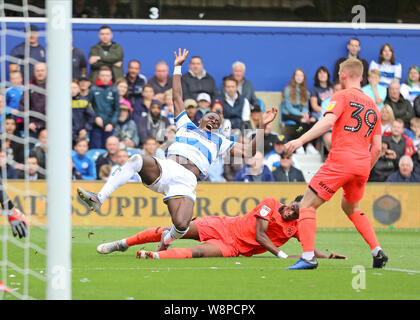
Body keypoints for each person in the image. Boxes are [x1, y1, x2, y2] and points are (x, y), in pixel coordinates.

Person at [77, 48, 277, 253]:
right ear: (200, 119)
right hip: (168, 167)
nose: (214, 120)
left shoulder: (220, 141)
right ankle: (98, 198)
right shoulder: (186, 124)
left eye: (217, 120)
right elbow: (177, 97)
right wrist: (178, 67)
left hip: (187, 181)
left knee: (181, 225)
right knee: (137, 159)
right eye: (210, 117)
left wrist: (261, 126)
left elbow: (250, 151)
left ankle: (165, 241)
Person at [284, 58, 387, 270]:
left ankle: (308, 257)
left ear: (343, 75)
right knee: (350, 207)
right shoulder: (374, 107)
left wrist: (300, 139)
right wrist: (364, 171)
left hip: (341, 160)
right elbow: (377, 148)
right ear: (362, 77)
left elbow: (328, 122)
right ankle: (377, 251)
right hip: (362, 165)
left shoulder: (341, 95)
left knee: (307, 205)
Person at [96, 196, 346, 262]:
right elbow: (260, 234)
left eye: (297, 213)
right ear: (291, 201)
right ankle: (122, 243)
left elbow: (308, 249)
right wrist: (280, 255)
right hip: (223, 224)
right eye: (294, 207)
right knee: (176, 228)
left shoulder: (295, 227)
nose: (292, 213)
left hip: (233, 247)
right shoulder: (271, 204)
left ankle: (156, 255)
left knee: (199, 253)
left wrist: (328, 255)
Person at [88, 66, 120, 149]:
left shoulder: (114, 90)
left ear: (111, 77)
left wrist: (112, 123)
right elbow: (89, 106)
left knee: (109, 149)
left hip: (109, 126)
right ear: (99, 76)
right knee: (96, 148)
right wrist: (95, 118)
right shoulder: (93, 89)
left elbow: (117, 109)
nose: (105, 78)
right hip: (96, 126)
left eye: (107, 75)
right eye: (102, 75)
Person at [282, 68, 313, 149]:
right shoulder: (288, 89)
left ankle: (308, 145)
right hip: (288, 114)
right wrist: (301, 115)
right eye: (297, 75)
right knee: (302, 122)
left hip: (300, 114)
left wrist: (305, 114)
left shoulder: (305, 91)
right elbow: (289, 108)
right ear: (294, 77)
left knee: (310, 121)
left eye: (301, 75)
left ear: (303, 78)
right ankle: (300, 146)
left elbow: (305, 107)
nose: (299, 77)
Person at [18, 62, 47, 141]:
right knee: (32, 152)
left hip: (50, 128)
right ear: (34, 72)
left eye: (42, 70)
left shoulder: (53, 86)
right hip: (33, 128)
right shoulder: (28, 87)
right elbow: (22, 107)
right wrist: (28, 123)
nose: (40, 73)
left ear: (46, 71)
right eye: (38, 71)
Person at [308, 66, 333, 154]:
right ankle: (315, 148)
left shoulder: (332, 88)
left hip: (332, 113)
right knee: (318, 121)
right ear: (317, 76)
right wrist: (326, 111)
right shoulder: (314, 89)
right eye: (320, 73)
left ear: (328, 75)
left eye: (324, 72)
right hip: (318, 113)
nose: (322, 75)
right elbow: (314, 106)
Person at [71, 79, 95, 146]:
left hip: (81, 133)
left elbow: (92, 116)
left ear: (79, 89)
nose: (72, 90)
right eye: (70, 88)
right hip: (67, 133)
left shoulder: (84, 101)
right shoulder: (62, 101)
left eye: (75, 88)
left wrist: (86, 129)